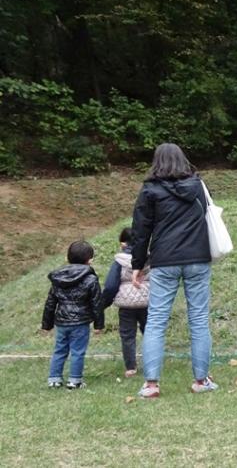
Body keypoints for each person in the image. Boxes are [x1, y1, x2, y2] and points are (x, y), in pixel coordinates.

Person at [130, 143, 217, 398]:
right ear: (183, 160)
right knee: (199, 319)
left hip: (164, 259)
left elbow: (140, 229)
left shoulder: (150, 190)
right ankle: (201, 380)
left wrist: (137, 264)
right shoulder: (199, 186)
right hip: (198, 258)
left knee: (156, 320)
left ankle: (151, 384)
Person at [41, 240, 103, 389]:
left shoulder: (58, 279)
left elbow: (50, 303)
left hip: (61, 322)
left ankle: (54, 379)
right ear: (90, 260)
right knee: (78, 351)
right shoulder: (91, 279)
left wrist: (46, 324)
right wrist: (98, 324)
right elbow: (96, 304)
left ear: (67, 258)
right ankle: (75, 380)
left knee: (59, 349)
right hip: (80, 323)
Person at [102, 228, 149, 378]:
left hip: (126, 304)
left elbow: (110, 285)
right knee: (150, 332)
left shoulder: (119, 261)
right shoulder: (150, 258)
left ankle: (131, 367)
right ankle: (152, 363)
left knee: (127, 335)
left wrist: (103, 304)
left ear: (123, 244)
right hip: (147, 301)